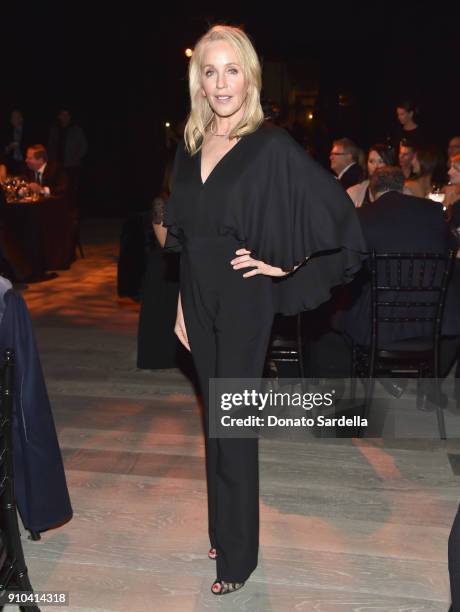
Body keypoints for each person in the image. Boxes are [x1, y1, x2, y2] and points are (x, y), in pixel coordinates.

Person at [163, 24, 366, 595]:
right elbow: (184, 232)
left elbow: (331, 209)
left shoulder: (269, 144)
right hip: (198, 296)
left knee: (234, 422)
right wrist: (181, 302)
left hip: (243, 294)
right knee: (214, 420)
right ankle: (222, 530)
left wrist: (287, 263)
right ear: (197, 80)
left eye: (232, 70)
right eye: (210, 70)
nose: (220, 82)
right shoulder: (191, 144)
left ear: (248, 78)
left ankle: (238, 559)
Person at [48, 109, 87, 199]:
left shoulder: (77, 130)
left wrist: (76, 158)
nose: (64, 117)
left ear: (70, 117)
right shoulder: (55, 129)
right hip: (57, 165)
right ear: (59, 116)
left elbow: (84, 146)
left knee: (72, 188)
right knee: (57, 188)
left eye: (67, 115)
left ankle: (72, 209)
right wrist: (52, 160)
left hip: (72, 165)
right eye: (62, 115)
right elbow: (51, 145)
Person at [347, 143, 396, 208]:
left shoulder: (401, 191)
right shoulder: (354, 192)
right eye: (371, 161)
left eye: (381, 161)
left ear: (389, 164)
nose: (375, 166)